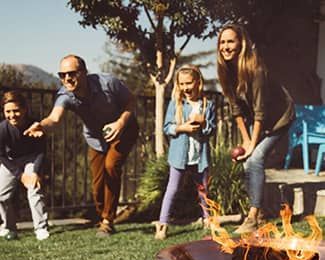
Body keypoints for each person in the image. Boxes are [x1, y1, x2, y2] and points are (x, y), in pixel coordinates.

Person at [24, 54, 139, 237]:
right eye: (62, 75)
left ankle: (108, 221)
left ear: (84, 72)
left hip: (124, 130)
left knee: (111, 167)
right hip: (95, 138)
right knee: (97, 185)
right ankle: (104, 216)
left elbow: (131, 102)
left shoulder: (108, 83)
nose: (67, 79)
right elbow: (54, 118)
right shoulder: (65, 95)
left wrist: (120, 123)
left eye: (72, 73)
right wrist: (42, 125)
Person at [217, 24, 295, 234]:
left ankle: (252, 218)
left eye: (230, 41)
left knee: (256, 157)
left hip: (280, 117)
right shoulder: (227, 72)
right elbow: (236, 111)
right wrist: (246, 141)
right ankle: (261, 211)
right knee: (246, 163)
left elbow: (260, 111)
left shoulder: (256, 70)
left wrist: (253, 144)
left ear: (241, 43)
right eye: (222, 42)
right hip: (261, 119)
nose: (225, 46)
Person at [153, 64, 216, 240]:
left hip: (200, 157)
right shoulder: (176, 104)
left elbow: (211, 130)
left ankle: (207, 219)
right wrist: (182, 128)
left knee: (203, 190)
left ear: (198, 82)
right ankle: (163, 224)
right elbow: (167, 128)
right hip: (179, 157)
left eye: (189, 83)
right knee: (172, 189)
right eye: (182, 84)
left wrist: (203, 124)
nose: (186, 88)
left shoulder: (207, 105)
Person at [0, 90, 49, 240]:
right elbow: (1, 155)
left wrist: (34, 172)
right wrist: (20, 176)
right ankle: (8, 228)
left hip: (31, 159)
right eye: (8, 111)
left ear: (24, 109)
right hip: (11, 162)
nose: (12, 115)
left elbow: (41, 151)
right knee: (1, 194)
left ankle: (40, 228)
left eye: (16, 110)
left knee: (34, 189)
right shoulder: (2, 129)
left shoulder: (35, 125)